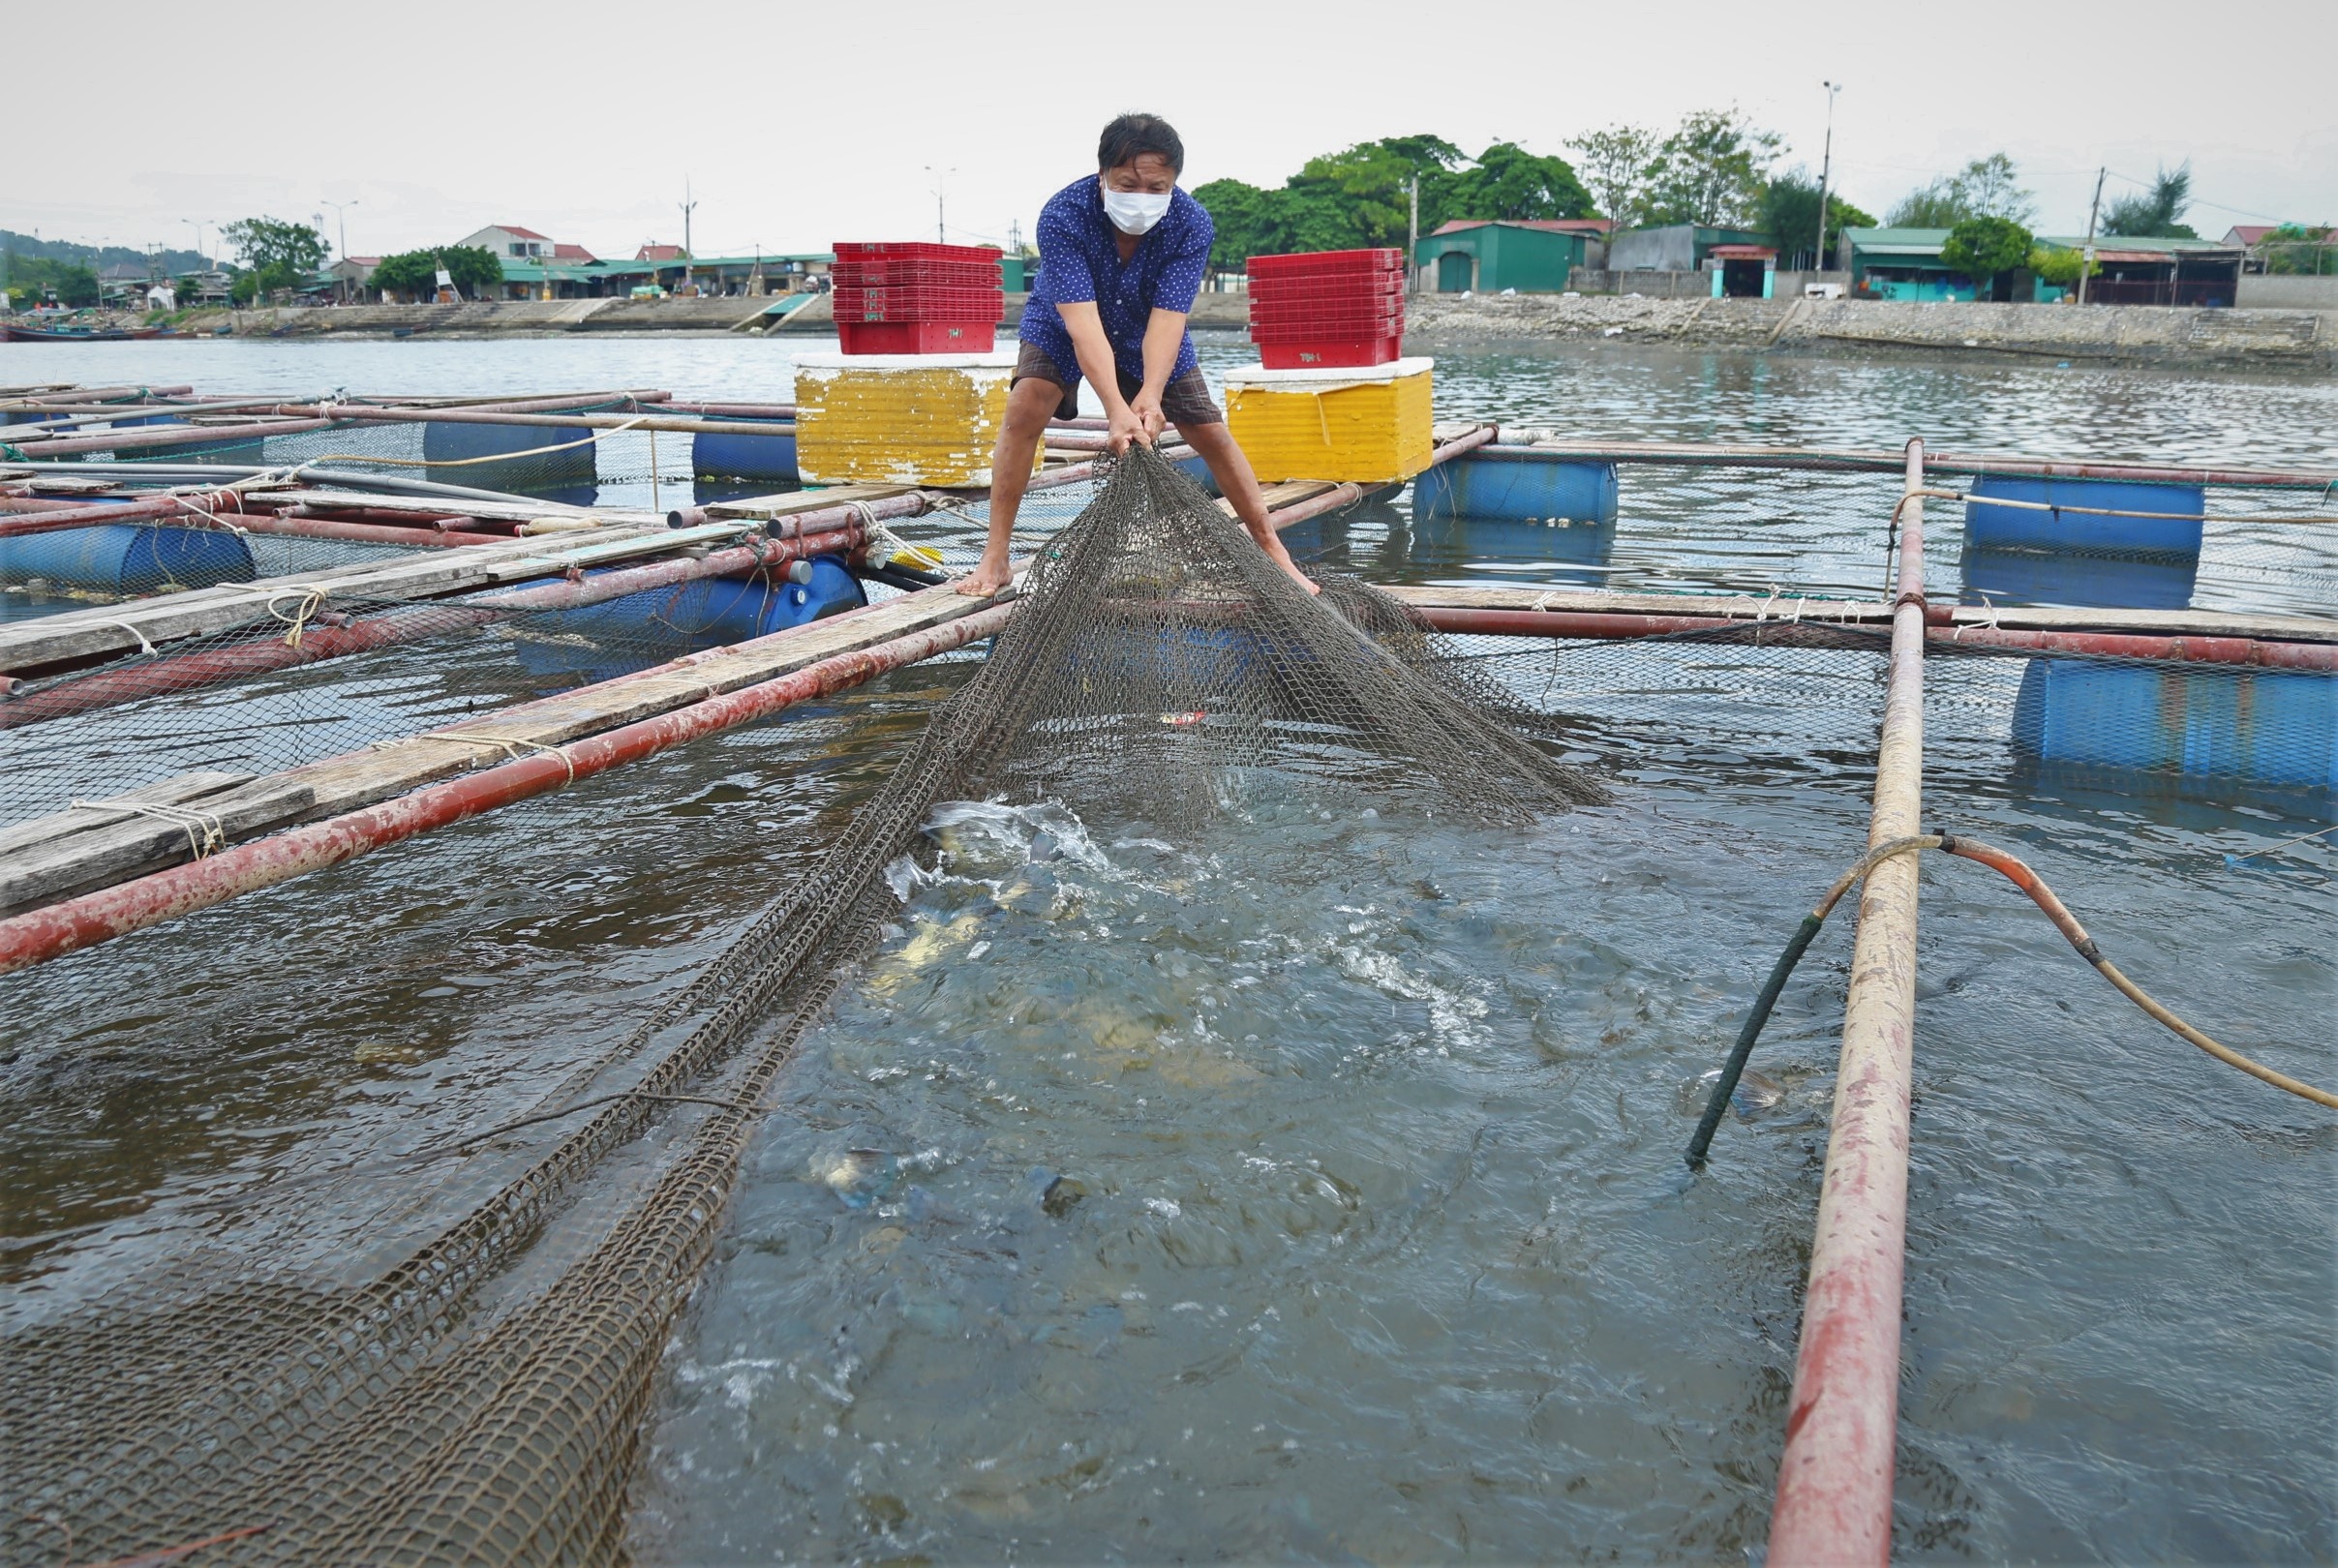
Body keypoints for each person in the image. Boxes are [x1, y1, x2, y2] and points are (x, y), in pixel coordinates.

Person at [956, 112, 1315, 597]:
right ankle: (995, 557)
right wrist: (1115, 411)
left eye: (1156, 186)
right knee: (1025, 407)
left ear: (1174, 184)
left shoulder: (1191, 222)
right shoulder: (1064, 214)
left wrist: (1148, 395)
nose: (1142, 196)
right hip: (1063, 319)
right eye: (1128, 183)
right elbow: (1083, 325)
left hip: (1148, 324)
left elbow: (1169, 319)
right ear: (1103, 174)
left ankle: (1274, 550)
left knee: (1209, 429)